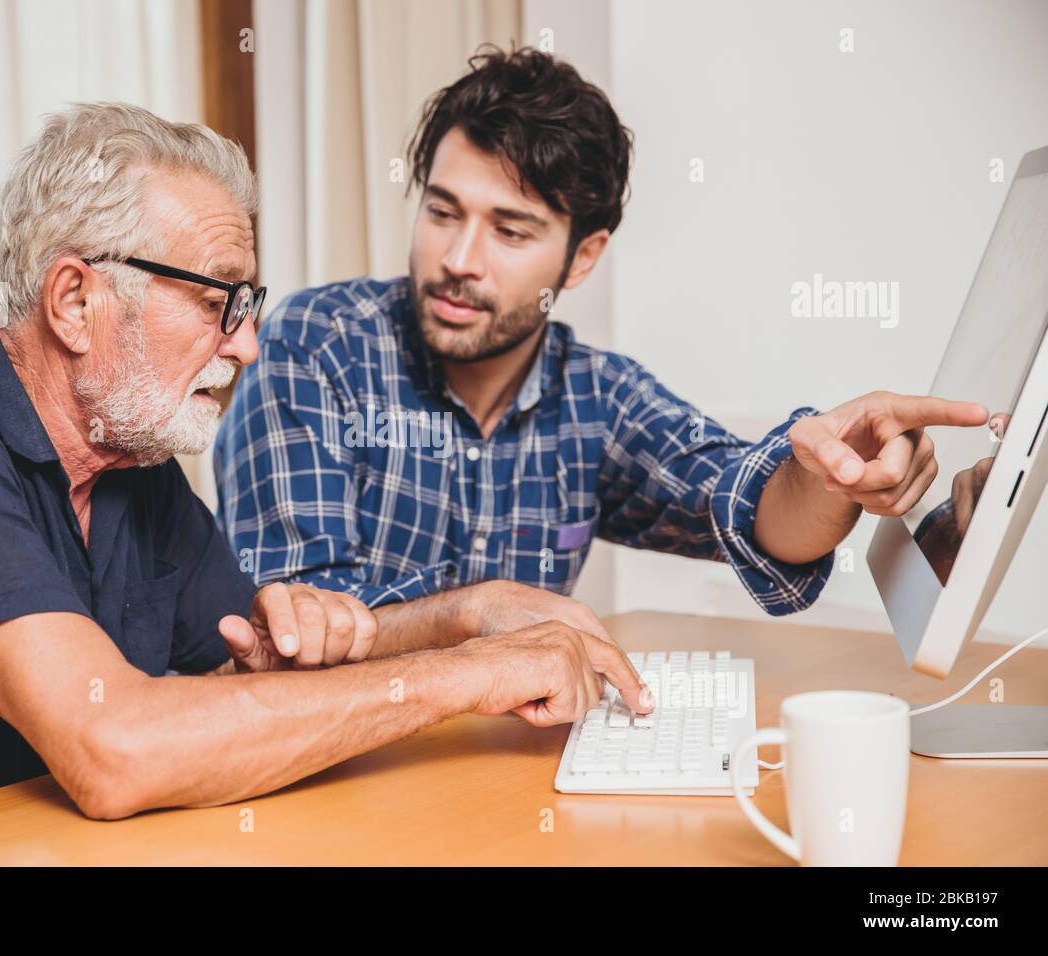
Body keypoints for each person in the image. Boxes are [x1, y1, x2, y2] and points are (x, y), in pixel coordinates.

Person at [0, 103, 647, 857]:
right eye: (220, 299)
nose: (248, 344)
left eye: (249, 305)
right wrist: (469, 675)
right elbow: (119, 750)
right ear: (74, 300)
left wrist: (464, 617)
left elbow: (248, 684)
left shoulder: (131, 464)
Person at [214, 47, 989, 669]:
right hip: (331, 788)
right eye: (442, 212)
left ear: (582, 258)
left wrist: (830, 472)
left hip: (497, 781)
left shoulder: (594, 396)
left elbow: (751, 508)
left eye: (510, 231)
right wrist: (474, 616)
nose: (458, 258)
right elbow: (297, 632)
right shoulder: (311, 348)